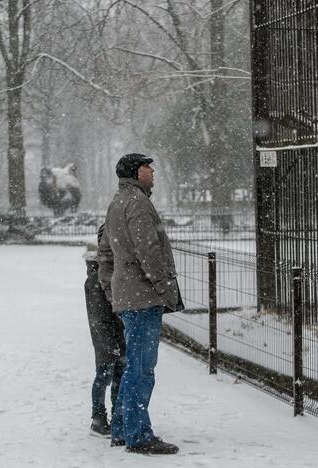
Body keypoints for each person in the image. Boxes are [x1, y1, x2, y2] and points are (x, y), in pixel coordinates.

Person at [97, 153, 184, 455]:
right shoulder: (137, 203)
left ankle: (122, 427)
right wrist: (164, 287)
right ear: (136, 171)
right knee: (142, 367)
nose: (153, 172)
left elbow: (105, 253)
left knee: (133, 363)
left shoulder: (117, 202)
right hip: (143, 296)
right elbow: (149, 251)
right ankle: (138, 434)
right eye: (148, 167)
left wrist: (112, 291)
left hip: (128, 295)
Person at [84, 223, 126, 436]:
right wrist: (110, 344)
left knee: (119, 375)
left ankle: (118, 415)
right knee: (104, 375)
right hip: (106, 339)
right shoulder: (96, 279)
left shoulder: (114, 270)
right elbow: (98, 318)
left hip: (118, 334)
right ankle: (98, 418)